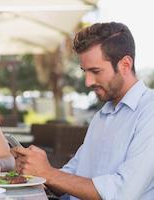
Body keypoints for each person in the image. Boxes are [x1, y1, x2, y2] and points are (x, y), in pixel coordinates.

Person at [12, 22, 154, 199]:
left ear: (125, 64)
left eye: (95, 71)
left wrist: (49, 174)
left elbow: (122, 192)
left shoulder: (149, 112)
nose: (88, 82)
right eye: (85, 71)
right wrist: (37, 171)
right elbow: (72, 175)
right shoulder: (102, 116)